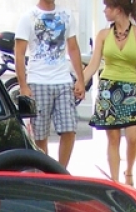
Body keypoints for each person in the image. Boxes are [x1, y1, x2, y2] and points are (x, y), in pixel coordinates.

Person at [83, 0, 136, 185]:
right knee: (113, 137)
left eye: (108, 7)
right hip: (108, 88)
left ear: (118, 9)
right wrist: (79, 82)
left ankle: (128, 171)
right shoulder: (103, 35)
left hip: (131, 89)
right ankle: (114, 181)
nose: (104, 11)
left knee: (133, 137)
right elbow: (94, 64)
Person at [15, 0, 85, 169]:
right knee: (40, 135)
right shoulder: (28, 17)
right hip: (38, 81)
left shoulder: (67, 15)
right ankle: (47, 171)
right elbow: (19, 53)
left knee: (69, 129)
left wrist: (80, 79)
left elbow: (73, 48)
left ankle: (60, 171)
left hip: (62, 80)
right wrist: (23, 85)